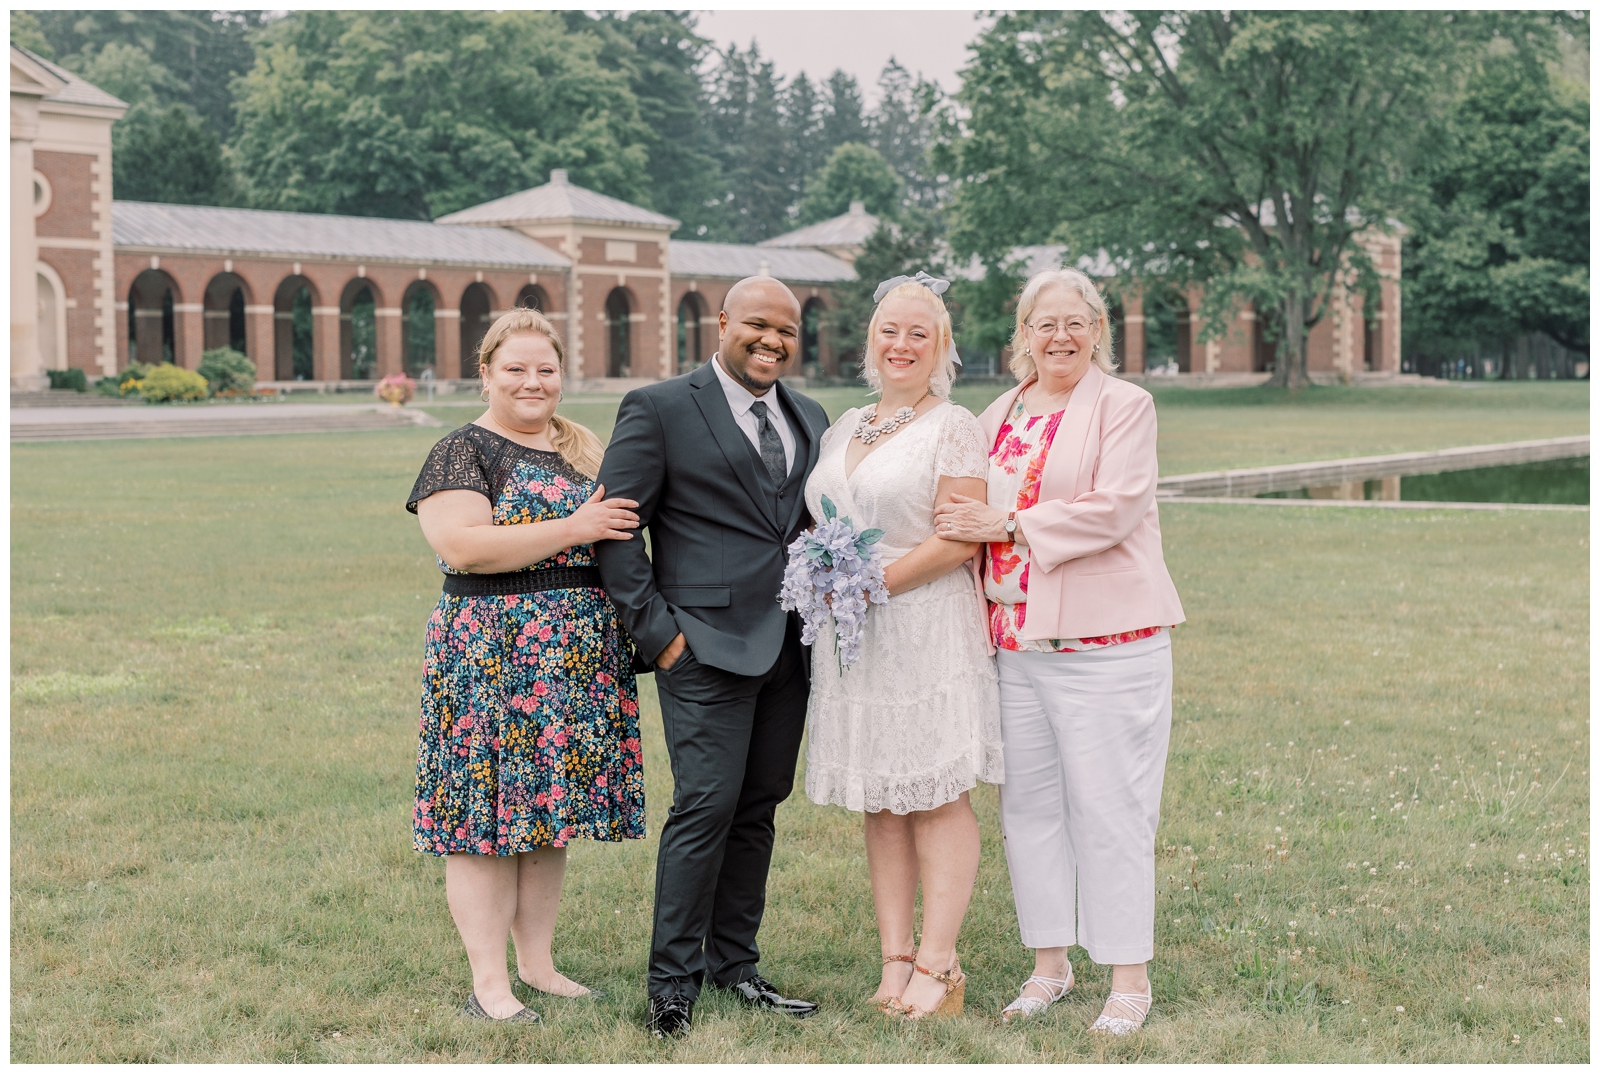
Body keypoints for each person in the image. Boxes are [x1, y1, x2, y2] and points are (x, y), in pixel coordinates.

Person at [933, 268, 1185, 1036]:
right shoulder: (996, 411)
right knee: (1031, 810)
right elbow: (955, 509)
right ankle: (1050, 965)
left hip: (1105, 645)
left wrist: (1006, 523)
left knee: (1110, 810)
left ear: (1097, 330)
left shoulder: (1123, 405)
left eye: (1076, 322)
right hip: (1013, 645)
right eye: (1045, 324)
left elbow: (1114, 509)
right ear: (1023, 335)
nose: (1061, 337)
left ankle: (1127, 978)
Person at [595, 276, 831, 1039]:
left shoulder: (810, 415)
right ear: (722, 322)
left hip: (789, 649)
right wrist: (659, 634)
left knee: (759, 808)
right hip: (699, 648)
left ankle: (736, 965)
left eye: (787, 331)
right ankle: (672, 984)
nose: (773, 341)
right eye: (758, 325)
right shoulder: (659, 408)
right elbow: (617, 527)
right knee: (703, 809)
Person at [407, 308, 647, 1023]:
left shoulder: (582, 451)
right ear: (486, 373)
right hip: (489, 655)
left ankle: (538, 965)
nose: (532, 381)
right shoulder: (463, 450)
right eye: (515, 368)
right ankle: (489, 984)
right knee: (481, 815)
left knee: (545, 816)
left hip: (571, 659)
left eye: (545, 368)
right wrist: (574, 528)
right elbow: (464, 548)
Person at [802, 273, 1002, 1020]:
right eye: (891, 330)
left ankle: (939, 965)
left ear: (942, 347)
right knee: (881, 799)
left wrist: (873, 584)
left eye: (920, 333)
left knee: (935, 792)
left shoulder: (955, 426)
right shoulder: (845, 424)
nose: (902, 344)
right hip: (854, 638)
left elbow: (960, 539)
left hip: (923, 624)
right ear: (871, 341)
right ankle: (892, 962)